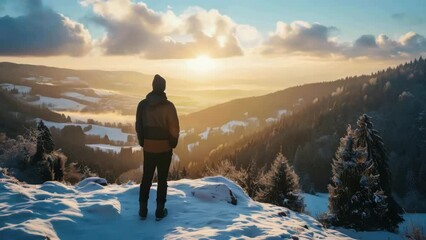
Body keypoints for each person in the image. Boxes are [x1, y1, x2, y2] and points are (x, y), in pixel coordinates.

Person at [135, 74, 180, 221]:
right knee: (162, 180)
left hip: (148, 147)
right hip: (165, 149)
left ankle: (142, 211)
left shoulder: (142, 105)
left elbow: (139, 126)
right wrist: (172, 143)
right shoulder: (169, 106)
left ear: (153, 86)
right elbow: (175, 127)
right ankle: (159, 212)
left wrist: (143, 141)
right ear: (164, 87)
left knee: (146, 178)